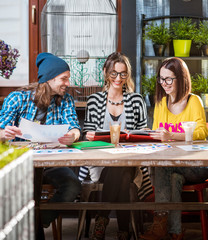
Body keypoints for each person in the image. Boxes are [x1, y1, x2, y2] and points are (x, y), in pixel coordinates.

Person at [0, 52, 81, 227]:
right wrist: (4, 133)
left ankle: (37, 223)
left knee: (73, 186)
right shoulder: (17, 98)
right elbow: (0, 129)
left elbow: (74, 126)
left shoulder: (65, 99)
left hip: (51, 163)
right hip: (21, 163)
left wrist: (72, 136)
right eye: (64, 79)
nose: (68, 83)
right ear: (50, 78)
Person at [81, 52, 153, 240]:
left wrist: (139, 135)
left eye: (123, 74)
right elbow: (86, 134)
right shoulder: (94, 100)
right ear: (105, 72)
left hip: (129, 161)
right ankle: (124, 230)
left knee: (122, 167)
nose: (118, 78)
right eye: (114, 73)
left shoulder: (136, 100)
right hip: (101, 163)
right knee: (120, 173)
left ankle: (102, 220)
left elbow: (143, 133)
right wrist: (90, 136)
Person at [140, 57, 208, 240]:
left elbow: (202, 132)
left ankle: (159, 224)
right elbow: (157, 133)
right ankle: (175, 232)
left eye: (169, 79)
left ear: (181, 78)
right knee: (173, 176)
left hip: (196, 165)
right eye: (162, 79)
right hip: (173, 164)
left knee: (163, 167)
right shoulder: (161, 103)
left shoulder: (194, 101)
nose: (165, 83)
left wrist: (171, 135)